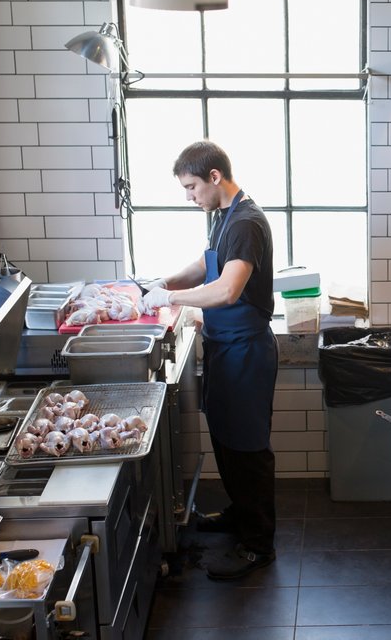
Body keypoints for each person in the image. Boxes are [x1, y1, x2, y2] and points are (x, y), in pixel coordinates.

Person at [142, 140, 278, 580]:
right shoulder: (222, 216)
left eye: (192, 187)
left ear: (214, 177)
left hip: (246, 352)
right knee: (226, 440)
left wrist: (172, 298)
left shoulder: (247, 223)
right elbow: (207, 266)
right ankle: (241, 516)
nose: (189, 197)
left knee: (248, 449)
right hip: (225, 346)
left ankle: (258, 546)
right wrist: (159, 284)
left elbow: (226, 290)